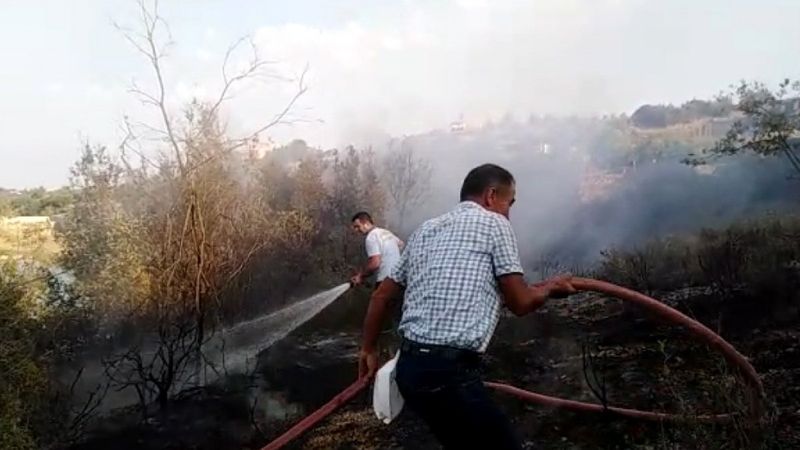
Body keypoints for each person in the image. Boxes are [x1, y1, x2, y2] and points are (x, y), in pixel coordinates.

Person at [358, 163, 577, 450]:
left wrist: (368, 349)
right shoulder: (495, 224)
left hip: (409, 370)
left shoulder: (426, 229)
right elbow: (520, 303)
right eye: (508, 203)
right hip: (450, 374)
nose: (508, 213)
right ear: (491, 195)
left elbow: (381, 296)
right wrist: (549, 289)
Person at [350, 211, 404, 288]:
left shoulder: (371, 237)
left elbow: (375, 263)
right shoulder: (385, 232)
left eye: (358, 226)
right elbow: (401, 244)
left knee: (376, 300)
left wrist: (360, 276)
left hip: (386, 280)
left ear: (366, 223)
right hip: (399, 279)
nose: (356, 230)